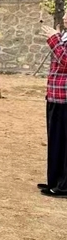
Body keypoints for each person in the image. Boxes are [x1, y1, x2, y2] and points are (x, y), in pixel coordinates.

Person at [40, 16, 67, 198]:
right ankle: (55, 181)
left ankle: (64, 186)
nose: (64, 17)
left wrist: (54, 39)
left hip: (65, 98)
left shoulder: (60, 37)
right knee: (56, 141)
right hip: (55, 96)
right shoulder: (64, 36)